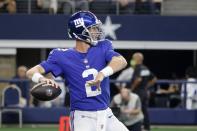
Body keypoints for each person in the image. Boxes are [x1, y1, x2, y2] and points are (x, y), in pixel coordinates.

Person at [26, 11, 128, 131]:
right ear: (80, 32)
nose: (96, 32)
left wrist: (102, 73)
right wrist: (42, 79)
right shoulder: (61, 56)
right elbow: (31, 72)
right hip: (82, 116)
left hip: (106, 113)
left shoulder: (103, 46)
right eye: (93, 29)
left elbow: (121, 61)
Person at [129, 52, 157, 131]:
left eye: (133, 58)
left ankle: (137, 126)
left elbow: (138, 79)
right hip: (145, 92)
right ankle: (146, 127)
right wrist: (146, 86)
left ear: (138, 59)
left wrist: (131, 89)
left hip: (138, 92)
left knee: (136, 109)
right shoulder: (145, 68)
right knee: (144, 110)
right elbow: (154, 79)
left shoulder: (138, 68)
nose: (132, 60)